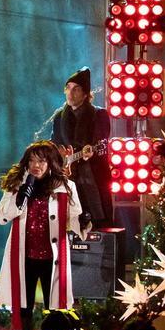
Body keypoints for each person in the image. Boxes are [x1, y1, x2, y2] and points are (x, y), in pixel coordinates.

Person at [0, 141, 84, 330]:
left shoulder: (66, 187)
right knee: (23, 306)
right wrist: (18, 200)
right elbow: (1, 217)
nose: (36, 165)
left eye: (42, 160)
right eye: (32, 160)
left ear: (51, 163)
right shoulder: (17, 185)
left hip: (52, 257)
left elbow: (75, 219)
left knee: (54, 308)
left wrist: (85, 222)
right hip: (24, 256)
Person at [50, 66, 111, 229]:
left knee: (97, 223)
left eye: (76, 89)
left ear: (85, 94)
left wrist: (90, 152)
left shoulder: (99, 114)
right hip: (68, 179)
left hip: (93, 176)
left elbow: (101, 142)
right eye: (68, 88)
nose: (70, 93)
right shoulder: (59, 117)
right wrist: (60, 158)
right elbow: (54, 145)